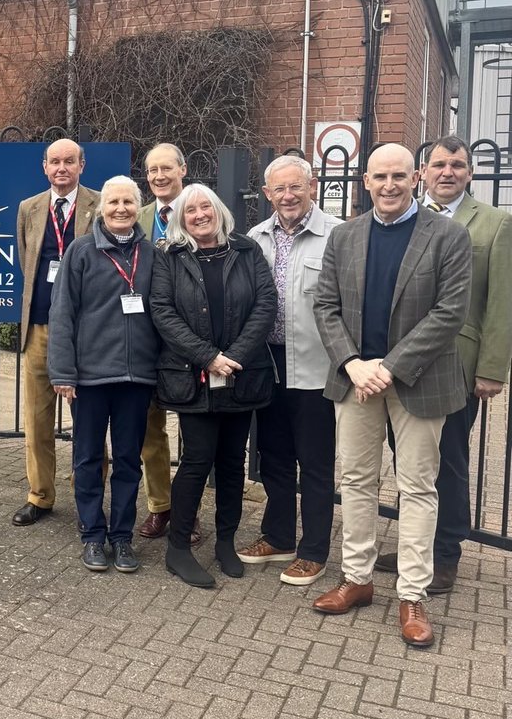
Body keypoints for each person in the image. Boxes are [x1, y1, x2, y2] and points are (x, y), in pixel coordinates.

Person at [312, 143, 471, 648]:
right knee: (357, 480)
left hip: (417, 380)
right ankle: (356, 580)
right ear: (365, 180)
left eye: (399, 175)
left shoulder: (448, 235)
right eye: (380, 176)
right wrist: (354, 363)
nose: (389, 185)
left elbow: (449, 313)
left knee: (418, 487)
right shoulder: (344, 235)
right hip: (355, 378)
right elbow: (325, 305)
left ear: (417, 177)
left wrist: (390, 366)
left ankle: (412, 594)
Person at [373, 137, 511, 594]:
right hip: (399, 365)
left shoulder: (494, 224)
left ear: (470, 173)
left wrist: (492, 368)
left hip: (457, 366)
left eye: (457, 165)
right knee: (409, 458)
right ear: (422, 173)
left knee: (447, 460)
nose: (447, 172)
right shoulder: (404, 220)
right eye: (438, 164)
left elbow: (501, 303)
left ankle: (445, 553)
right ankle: (418, 545)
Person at [149, 184, 277, 589]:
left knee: (232, 462)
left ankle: (225, 542)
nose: (200, 215)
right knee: (196, 461)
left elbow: (265, 304)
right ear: (181, 219)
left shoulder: (246, 251)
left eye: (206, 207)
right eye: (191, 211)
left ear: (219, 211)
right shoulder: (168, 256)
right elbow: (162, 312)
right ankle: (178, 549)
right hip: (194, 375)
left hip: (240, 373)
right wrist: (208, 356)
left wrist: (233, 355)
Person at [49, 176, 160, 574]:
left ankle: (122, 538)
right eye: (113, 201)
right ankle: (93, 535)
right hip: (91, 378)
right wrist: (63, 371)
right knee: (88, 458)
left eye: (128, 202)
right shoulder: (80, 252)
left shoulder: (152, 254)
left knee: (129, 460)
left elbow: (163, 315)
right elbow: (61, 314)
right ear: (101, 207)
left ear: (138, 206)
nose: (120, 209)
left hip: (136, 378)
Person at [244, 155, 342, 586]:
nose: (287, 196)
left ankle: (314, 550)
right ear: (267, 194)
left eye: (295, 187)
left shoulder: (338, 235)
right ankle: (279, 536)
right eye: (279, 189)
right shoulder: (255, 238)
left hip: (317, 367)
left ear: (312, 187)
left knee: (315, 462)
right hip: (268, 364)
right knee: (275, 458)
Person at [13, 138, 100, 525]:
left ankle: (88, 498)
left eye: (69, 161)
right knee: (36, 419)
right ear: (44, 167)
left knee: (89, 421)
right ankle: (40, 495)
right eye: (54, 162)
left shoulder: (100, 205)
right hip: (39, 328)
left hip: (85, 333)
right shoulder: (28, 209)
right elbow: (26, 263)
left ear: (82, 165)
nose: (61, 168)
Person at [135, 142, 201, 544]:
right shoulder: (137, 216)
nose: (159, 176)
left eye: (166, 169)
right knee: (149, 431)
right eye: (152, 170)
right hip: (145, 338)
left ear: (183, 170)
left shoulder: (200, 210)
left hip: (190, 338)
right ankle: (161, 506)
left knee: (194, 433)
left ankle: (190, 511)